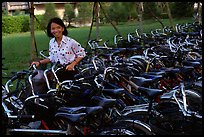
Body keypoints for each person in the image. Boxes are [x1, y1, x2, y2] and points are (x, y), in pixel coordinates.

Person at [31, 17, 86, 81]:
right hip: (58, 72)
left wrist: (72, 64)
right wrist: (39, 62)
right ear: (50, 30)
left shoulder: (70, 42)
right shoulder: (51, 42)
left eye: (58, 27)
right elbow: (52, 58)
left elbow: (82, 54)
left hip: (71, 72)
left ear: (62, 28)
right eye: (53, 29)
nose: (56, 30)